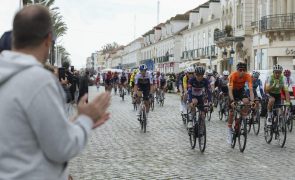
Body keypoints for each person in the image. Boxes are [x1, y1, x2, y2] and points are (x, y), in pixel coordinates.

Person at [0, 5, 111, 179]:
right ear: (48, 39)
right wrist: (86, 120)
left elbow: (29, 134)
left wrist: (76, 120)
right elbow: (62, 148)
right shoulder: (39, 80)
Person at [227, 62, 254, 144]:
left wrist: (252, 101)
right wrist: (232, 101)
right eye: (240, 70)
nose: (242, 72)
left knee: (246, 101)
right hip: (233, 92)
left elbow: (251, 90)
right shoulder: (233, 75)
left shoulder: (248, 76)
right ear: (237, 70)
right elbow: (230, 90)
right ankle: (229, 130)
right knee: (232, 112)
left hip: (241, 91)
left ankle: (243, 117)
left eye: (244, 70)